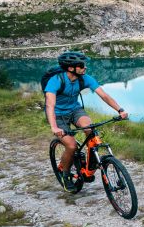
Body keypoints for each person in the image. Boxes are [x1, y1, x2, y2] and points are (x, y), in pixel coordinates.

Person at [46, 51, 128, 192]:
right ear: (71, 68)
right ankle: (65, 176)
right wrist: (54, 126)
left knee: (90, 129)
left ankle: (88, 168)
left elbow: (104, 95)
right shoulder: (55, 81)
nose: (85, 68)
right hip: (58, 114)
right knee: (71, 146)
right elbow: (50, 105)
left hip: (75, 110)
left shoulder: (85, 79)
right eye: (81, 65)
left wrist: (120, 110)